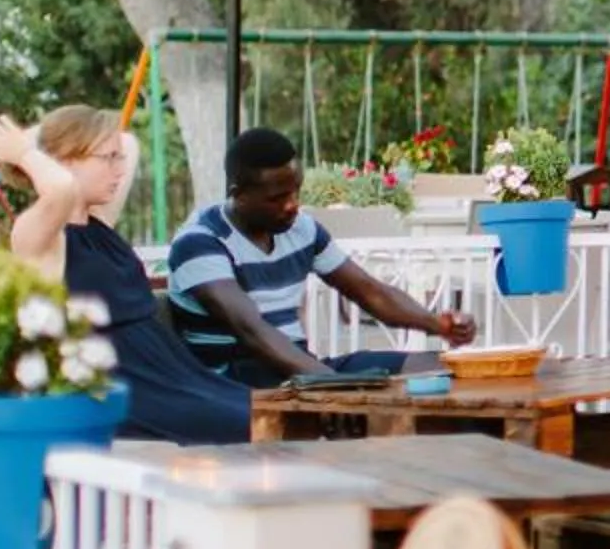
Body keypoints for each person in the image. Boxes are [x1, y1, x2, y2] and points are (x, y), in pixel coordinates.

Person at [0, 107, 253, 444]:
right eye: (108, 158)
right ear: (66, 162)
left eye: (118, 158)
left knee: (267, 411)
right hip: (124, 385)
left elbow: (128, 143)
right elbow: (59, 190)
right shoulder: (40, 235)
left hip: (170, 372)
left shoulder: (98, 220)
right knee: (244, 422)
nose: (120, 167)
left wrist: (35, 142)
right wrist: (25, 153)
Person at [167, 128, 478, 386]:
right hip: (236, 381)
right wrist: (335, 384)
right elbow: (252, 331)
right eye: (277, 198)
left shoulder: (300, 229)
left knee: (443, 369)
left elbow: (370, 291)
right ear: (238, 193)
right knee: (368, 392)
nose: (292, 205)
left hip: (300, 370)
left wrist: (438, 325)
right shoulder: (201, 242)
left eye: (296, 191)